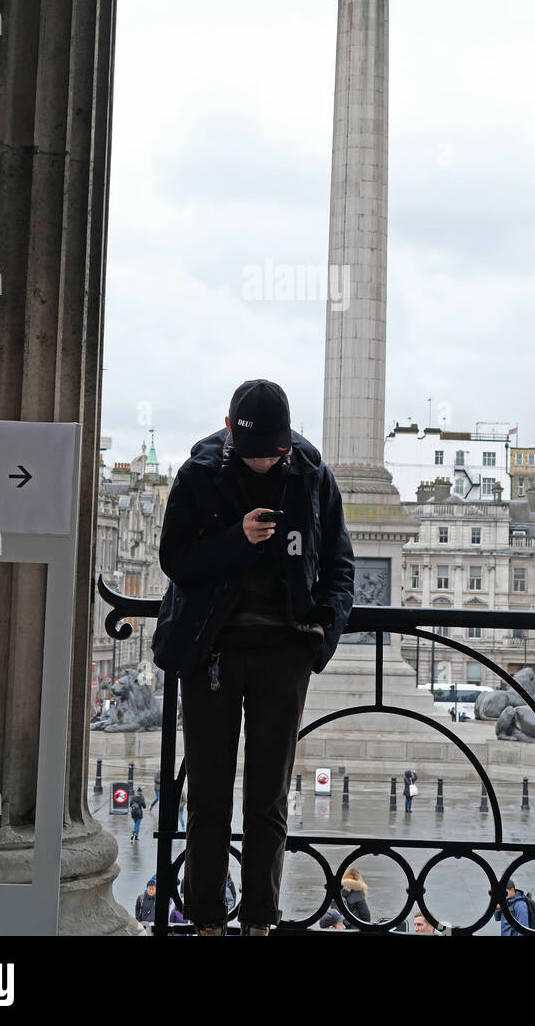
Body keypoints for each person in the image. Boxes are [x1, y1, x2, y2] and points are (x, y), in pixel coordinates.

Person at [152, 379, 355, 938]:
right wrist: (238, 540)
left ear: (288, 441)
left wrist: (320, 635)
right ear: (227, 432)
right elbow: (176, 560)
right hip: (212, 653)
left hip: (283, 657)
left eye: (274, 451)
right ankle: (207, 923)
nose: (265, 462)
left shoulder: (312, 477)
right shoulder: (198, 476)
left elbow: (340, 566)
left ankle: (261, 923)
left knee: (268, 799)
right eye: (254, 452)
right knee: (210, 797)